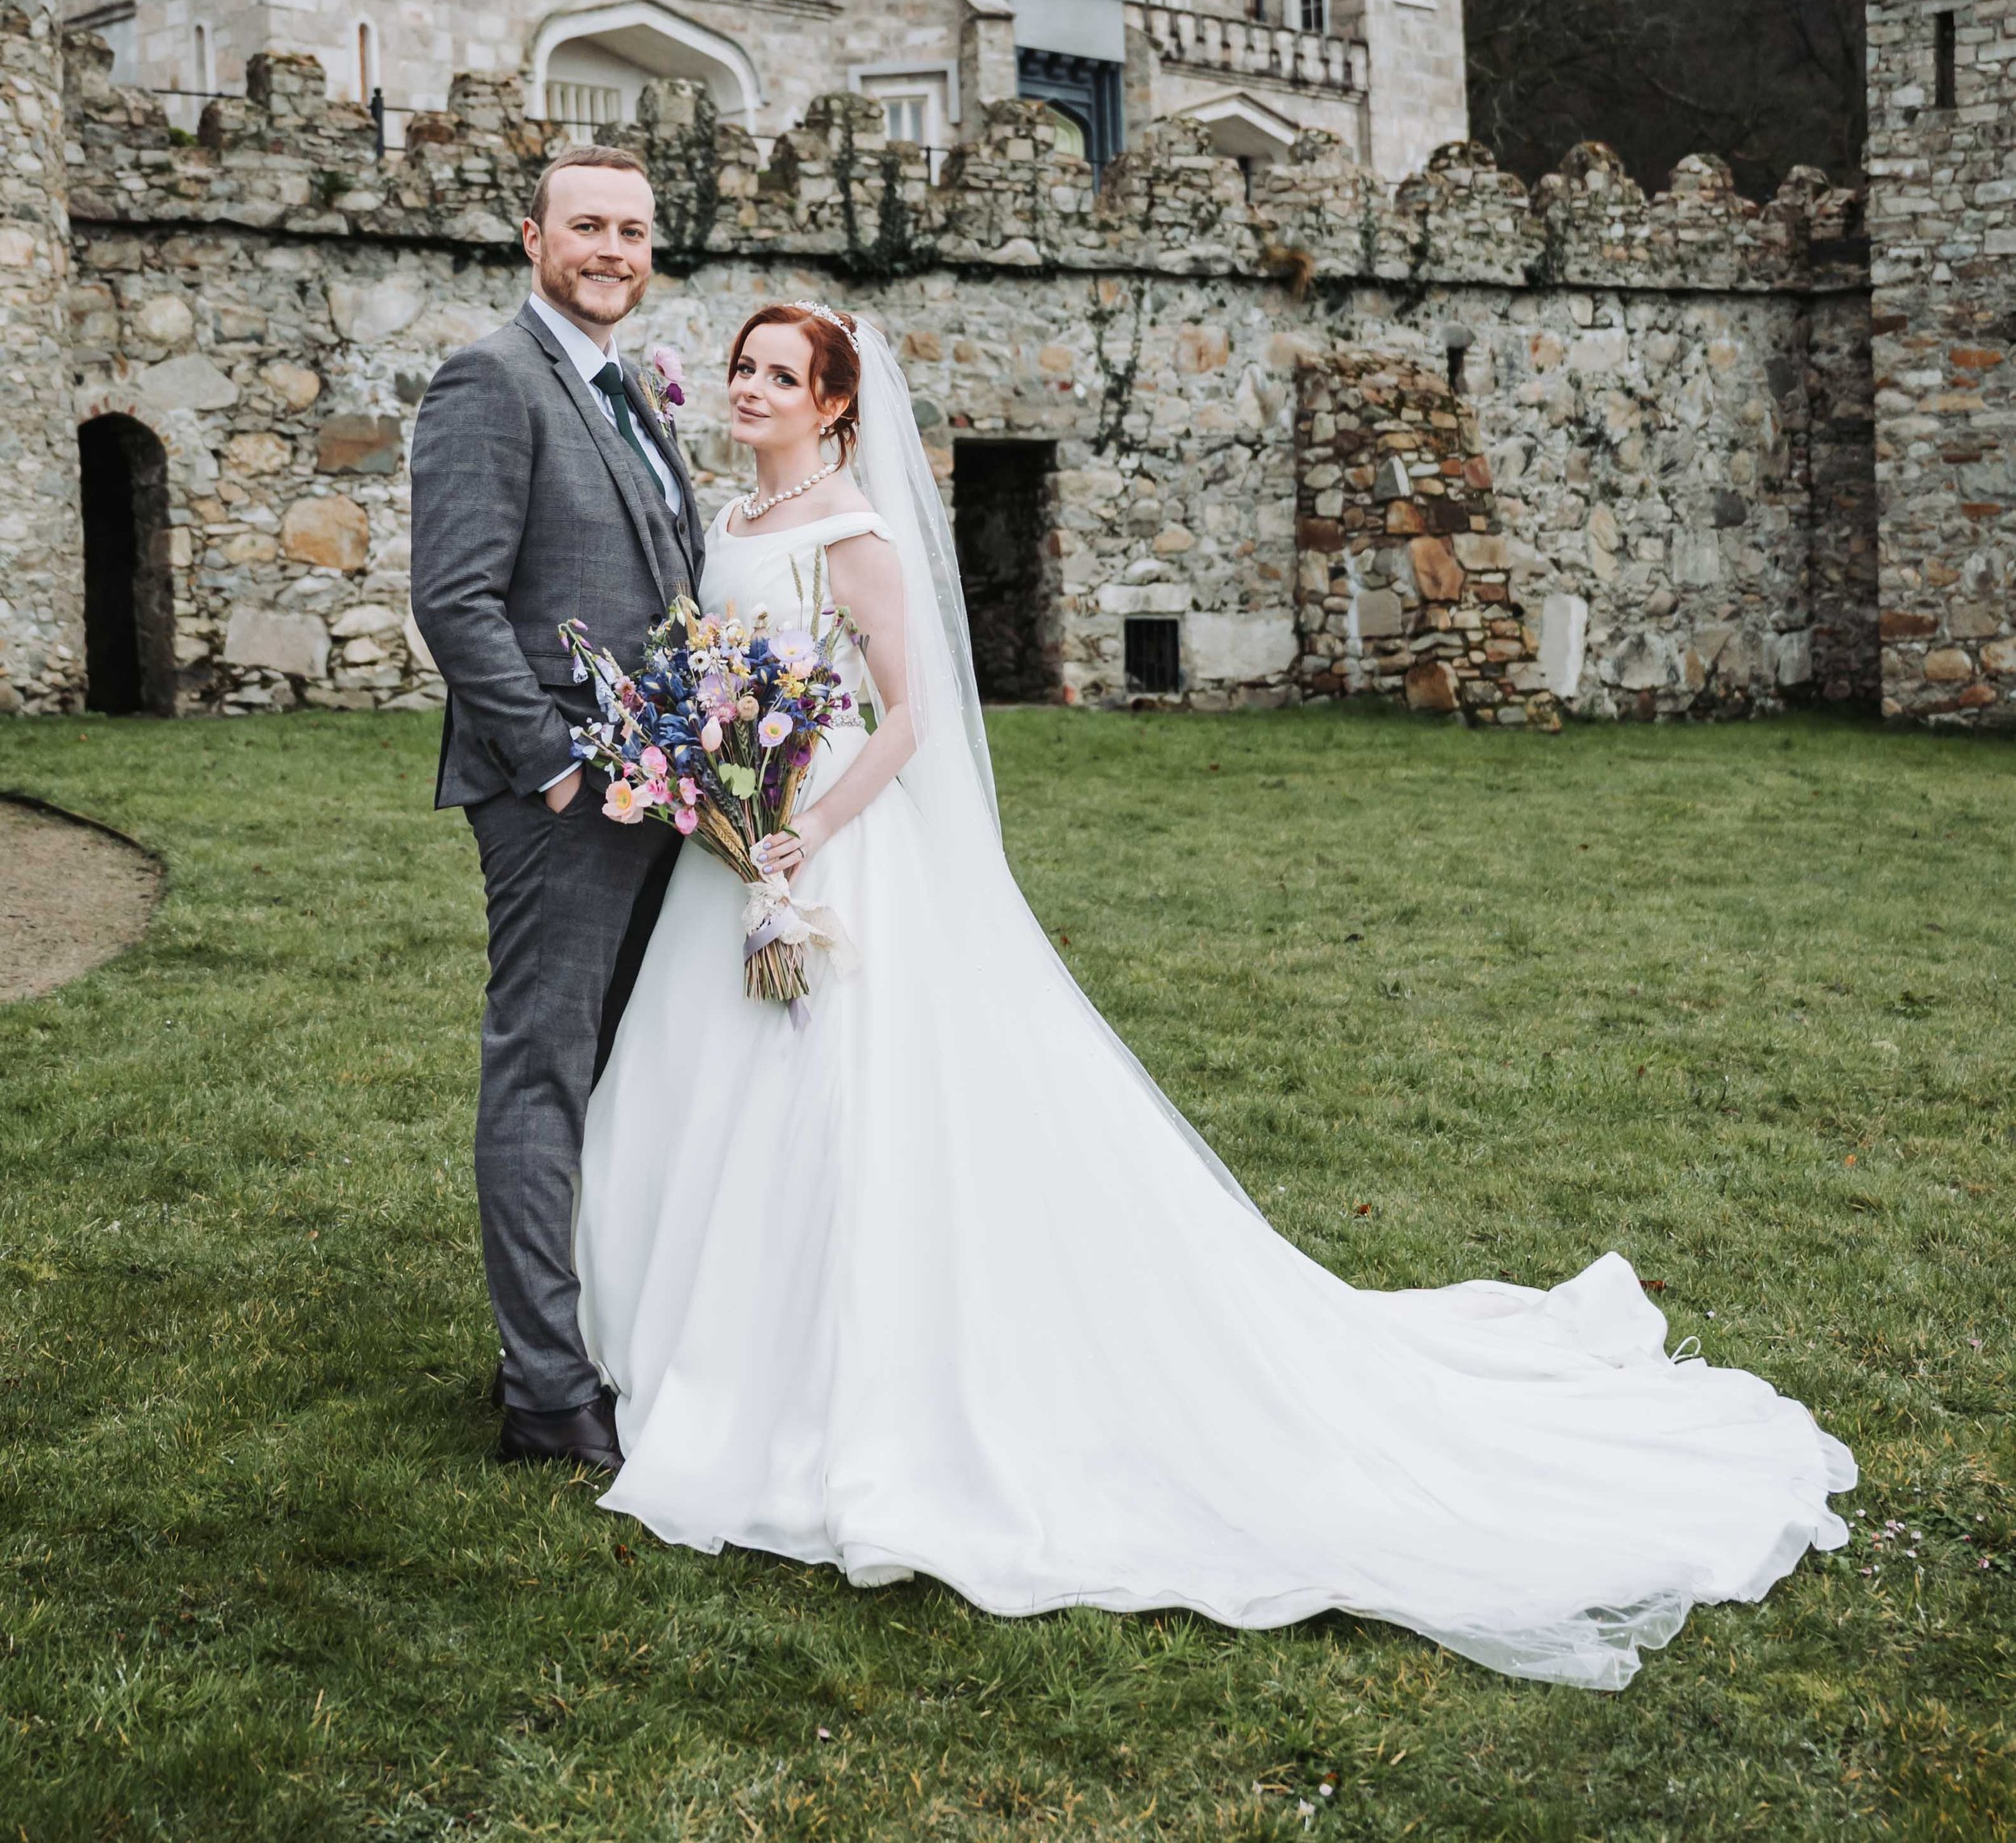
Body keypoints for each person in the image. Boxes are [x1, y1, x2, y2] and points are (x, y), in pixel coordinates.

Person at [574, 302, 1856, 1690]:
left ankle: (844, 1394)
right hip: (737, 856)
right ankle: (717, 1366)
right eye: (744, 368)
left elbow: (909, 716)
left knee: (851, 1109)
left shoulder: (857, 537)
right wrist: (718, 787)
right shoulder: (731, 518)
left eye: (781, 375)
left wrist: (811, 831)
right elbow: (728, 677)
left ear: (835, 407)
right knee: (719, 1092)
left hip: (833, 855)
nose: (750, 388)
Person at [410, 146, 702, 1471]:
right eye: (588, 225)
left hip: (659, 798)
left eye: (635, 230)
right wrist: (557, 765)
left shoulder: (632, 385)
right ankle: (545, 1392)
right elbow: (455, 599)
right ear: (532, 237)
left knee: (631, 1069)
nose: (615, 250)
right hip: (558, 800)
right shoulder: (491, 378)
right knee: (541, 1070)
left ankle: (618, 1330)